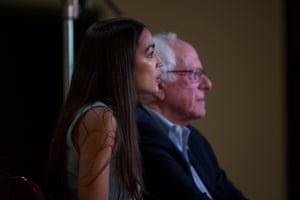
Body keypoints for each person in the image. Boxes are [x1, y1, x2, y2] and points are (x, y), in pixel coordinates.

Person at [44, 17, 163, 200]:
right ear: (121, 60)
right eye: (150, 53)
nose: (159, 62)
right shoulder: (100, 117)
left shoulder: (106, 115)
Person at [137, 32, 247, 200]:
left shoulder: (195, 139)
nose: (207, 84)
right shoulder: (140, 132)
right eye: (195, 74)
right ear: (159, 84)